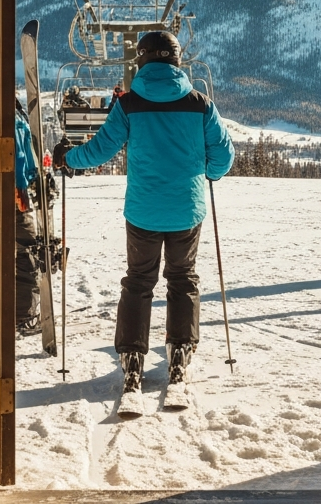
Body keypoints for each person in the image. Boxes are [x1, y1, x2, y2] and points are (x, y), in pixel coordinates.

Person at [52, 31, 234, 413]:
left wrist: (69, 159)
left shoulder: (130, 104)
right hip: (186, 210)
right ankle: (179, 358)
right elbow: (223, 155)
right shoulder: (201, 104)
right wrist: (209, 173)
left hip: (143, 212)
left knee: (139, 281)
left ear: (142, 61)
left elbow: (101, 149)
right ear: (176, 60)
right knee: (183, 278)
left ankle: (132, 363)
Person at [12, 96, 44, 336]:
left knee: (23, 251)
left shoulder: (10, 113)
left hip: (15, 190)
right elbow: (21, 156)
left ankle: (20, 310)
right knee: (26, 250)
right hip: (15, 193)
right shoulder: (12, 116)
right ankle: (23, 313)